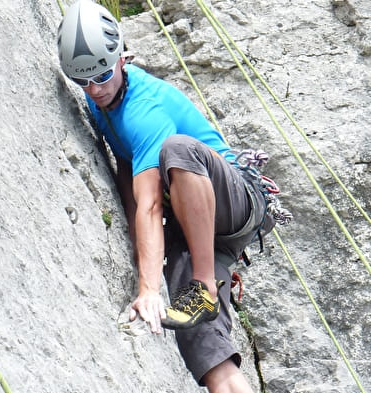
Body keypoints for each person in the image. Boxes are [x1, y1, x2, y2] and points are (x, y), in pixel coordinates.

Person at [57, 1, 271, 392]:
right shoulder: (98, 94)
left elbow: (151, 204)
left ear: (123, 58)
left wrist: (148, 287)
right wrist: (146, 258)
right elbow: (129, 175)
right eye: (82, 80)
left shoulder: (144, 109)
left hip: (234, 201)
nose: (94, 89)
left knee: (178, 149)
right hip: (196, 232)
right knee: (207, 353)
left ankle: (204, 285)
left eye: (103, 75)